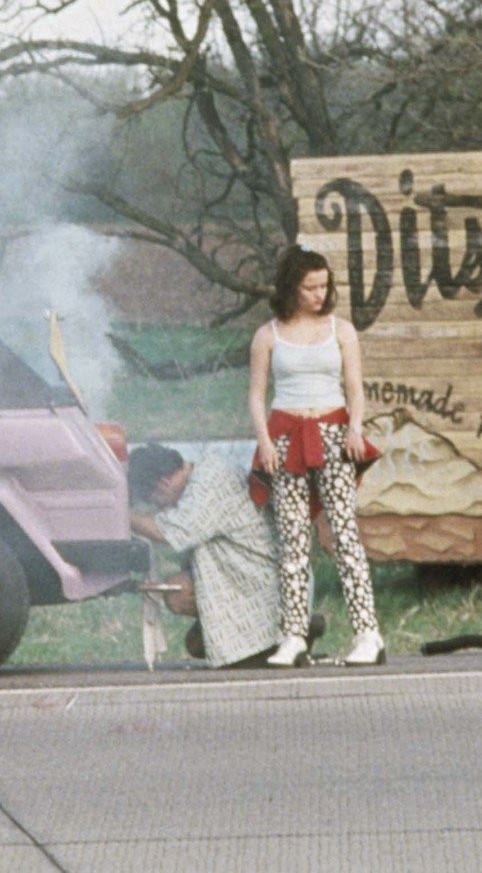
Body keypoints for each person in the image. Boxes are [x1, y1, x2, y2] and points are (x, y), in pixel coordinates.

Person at [250, 246, 384, 667]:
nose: (319, 294)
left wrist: (355, 427)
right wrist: (265, 441)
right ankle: (293, 635)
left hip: (333, 433)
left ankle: (368, 633)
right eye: (310, 287)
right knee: (292, 539)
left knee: (344, 534)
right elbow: (256, 396)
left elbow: (355, 387)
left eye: (324, 286)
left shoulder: (341, 330)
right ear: (292, 287)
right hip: (286, 436)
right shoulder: (268, 335)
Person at [127, 443, 321, 668]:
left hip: (268, 583)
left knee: (178, 594)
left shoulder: (210, 483)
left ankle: (282, 633)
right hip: (253, 575)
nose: (158, 508)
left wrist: (123, 518)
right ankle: (279, 635)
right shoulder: (204, 473)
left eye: (153, 501)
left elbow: (171, 532)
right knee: (193, 632)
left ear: (163, 483)